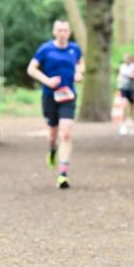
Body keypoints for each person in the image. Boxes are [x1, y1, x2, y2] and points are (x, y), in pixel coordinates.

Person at [27, 20, 84, 189]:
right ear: (54, 31)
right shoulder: (45, 49)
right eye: (59, 30)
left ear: (69, 32)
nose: (62, 33)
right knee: (53, 135)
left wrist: (79, 73)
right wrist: (47, 81)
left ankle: (62, 174)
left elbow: (80, 63)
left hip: (68, 96)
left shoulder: (75, 49)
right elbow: (31, 69)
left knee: (66, 133)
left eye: (65, 30)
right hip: (50, 96)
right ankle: (52, 150)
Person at [117, 53, 134, 135]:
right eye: (124, 58)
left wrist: (131, 76)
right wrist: (119, 80)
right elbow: (119, 76)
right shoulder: (122, 66)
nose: (125, 59)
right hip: (123, 88)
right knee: (123, 106)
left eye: (126, 58)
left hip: (132, 89)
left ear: (130, 59)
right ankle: (123, 126)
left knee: (132, 108)